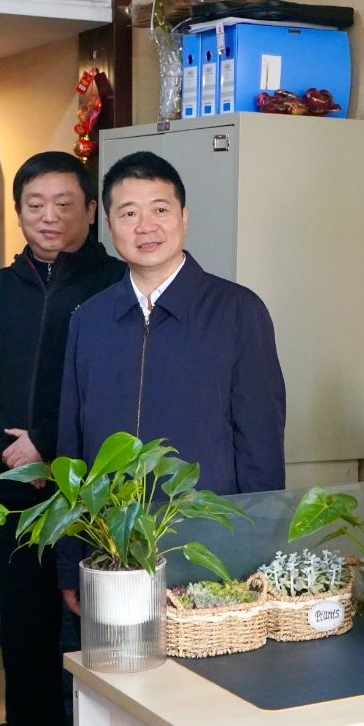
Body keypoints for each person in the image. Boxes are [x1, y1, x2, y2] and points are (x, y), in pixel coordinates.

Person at [56, 151, 286, 612]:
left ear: (184, 215)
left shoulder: (238, 311)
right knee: (116, 657)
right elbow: (71, 444)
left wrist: (257, 552)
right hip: (111, 547)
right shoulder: (90, 319)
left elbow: (260, 444)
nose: (146, 226)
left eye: (160, 209)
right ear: (108, 224)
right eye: (128, 213)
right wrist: (69, 561)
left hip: (210, 549)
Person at [0, 151, 123, 724]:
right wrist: (10, 452)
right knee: (24, 640)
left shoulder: (115, 285)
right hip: (15, 494)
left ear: (91, 210)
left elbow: (112, 390)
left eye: (64, 204)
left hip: (93, 498)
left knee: (95, 641)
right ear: (19, 211)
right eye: (35, 205)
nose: (49, 217)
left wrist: (46, 445)